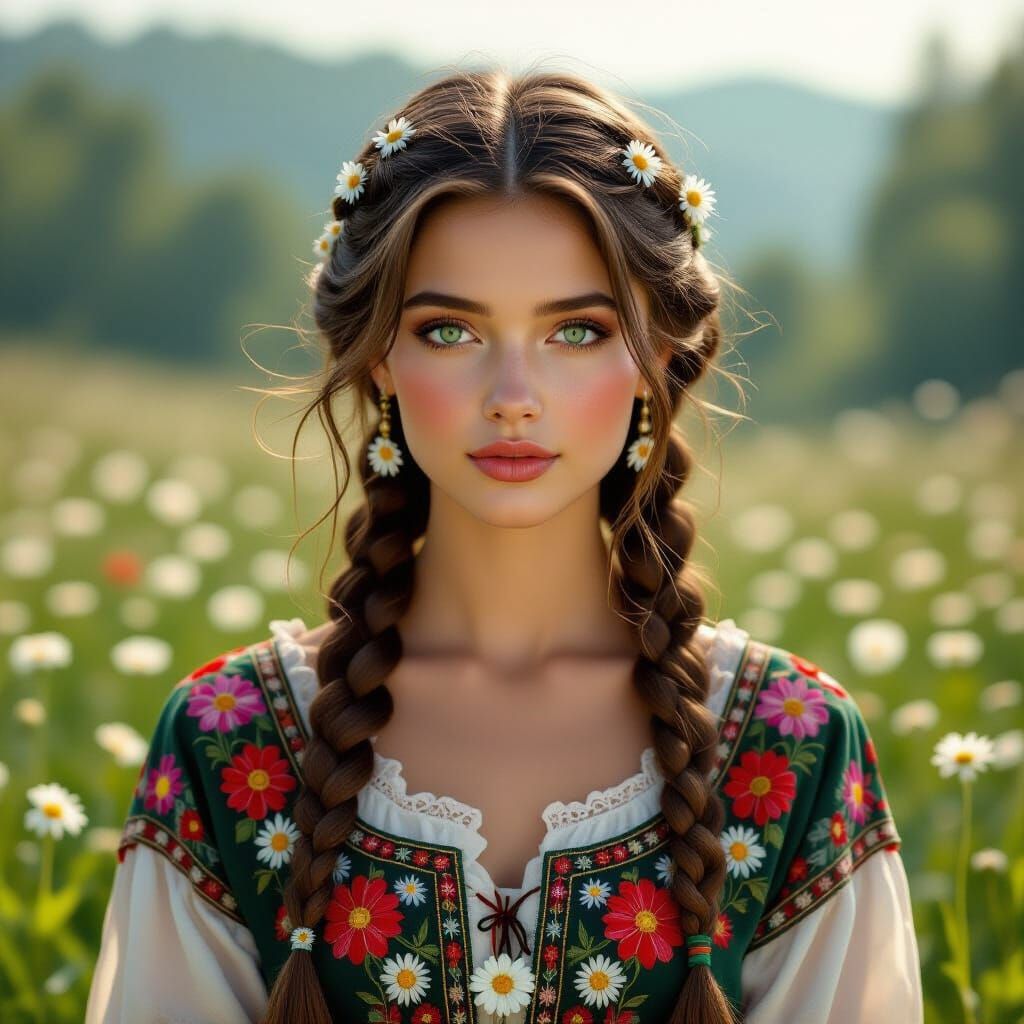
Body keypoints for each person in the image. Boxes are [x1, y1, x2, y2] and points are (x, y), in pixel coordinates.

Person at [85, 66, 924, 1024]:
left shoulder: (788, 747)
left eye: (576, 330)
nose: (512, 394)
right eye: (450, 329)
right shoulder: (234, 741)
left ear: (656, 357)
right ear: (380, 358)